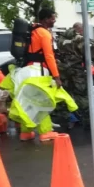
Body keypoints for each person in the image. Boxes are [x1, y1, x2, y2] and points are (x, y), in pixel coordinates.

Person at [21, 8, 60, 141]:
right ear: (45, 19)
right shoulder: (44, 33)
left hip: (28, 69)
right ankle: (45, 132)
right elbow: (49, 56)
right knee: (43, 100)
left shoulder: (32, 30)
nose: (54, 20)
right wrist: (56, 76)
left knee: (28, 101)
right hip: (39, 71)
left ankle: (25, 132)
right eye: (52, 18)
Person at [56, 22, 91, 129]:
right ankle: (87, 121)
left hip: (63, 70)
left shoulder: (60, 39)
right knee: (81, 95)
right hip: (77, 71)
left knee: (64, 95)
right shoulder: (79, 39)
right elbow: (87, 55)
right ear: (80, 30)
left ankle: (64, 121)